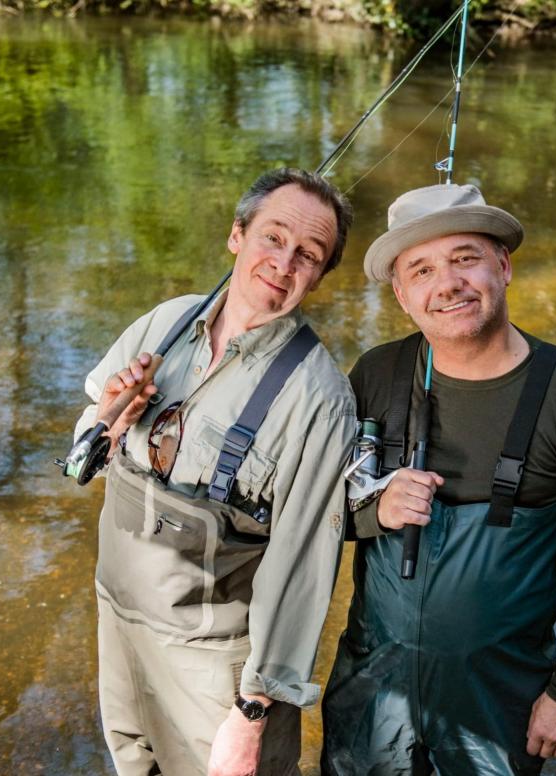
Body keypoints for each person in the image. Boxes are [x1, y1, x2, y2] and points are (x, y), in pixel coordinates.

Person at [321, 183, 556, 775]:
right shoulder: (376, 375)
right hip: (372, 684)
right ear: (402, 295)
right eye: (422, 269)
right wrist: (373, 512)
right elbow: (314, 509)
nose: (448, 284)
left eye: (466, 258)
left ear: (504, 266)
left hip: (497, 701)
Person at [75, 168, 357, 776]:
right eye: (273, 237)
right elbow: (82, 456)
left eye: (309, 254)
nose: (284, 262)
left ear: (320, 275)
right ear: (237, 235)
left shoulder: (321, 398)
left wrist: (251, 716)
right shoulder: (166, 323)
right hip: (118, 623)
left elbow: (303, 569)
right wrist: (109, 423)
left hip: (215, 670)